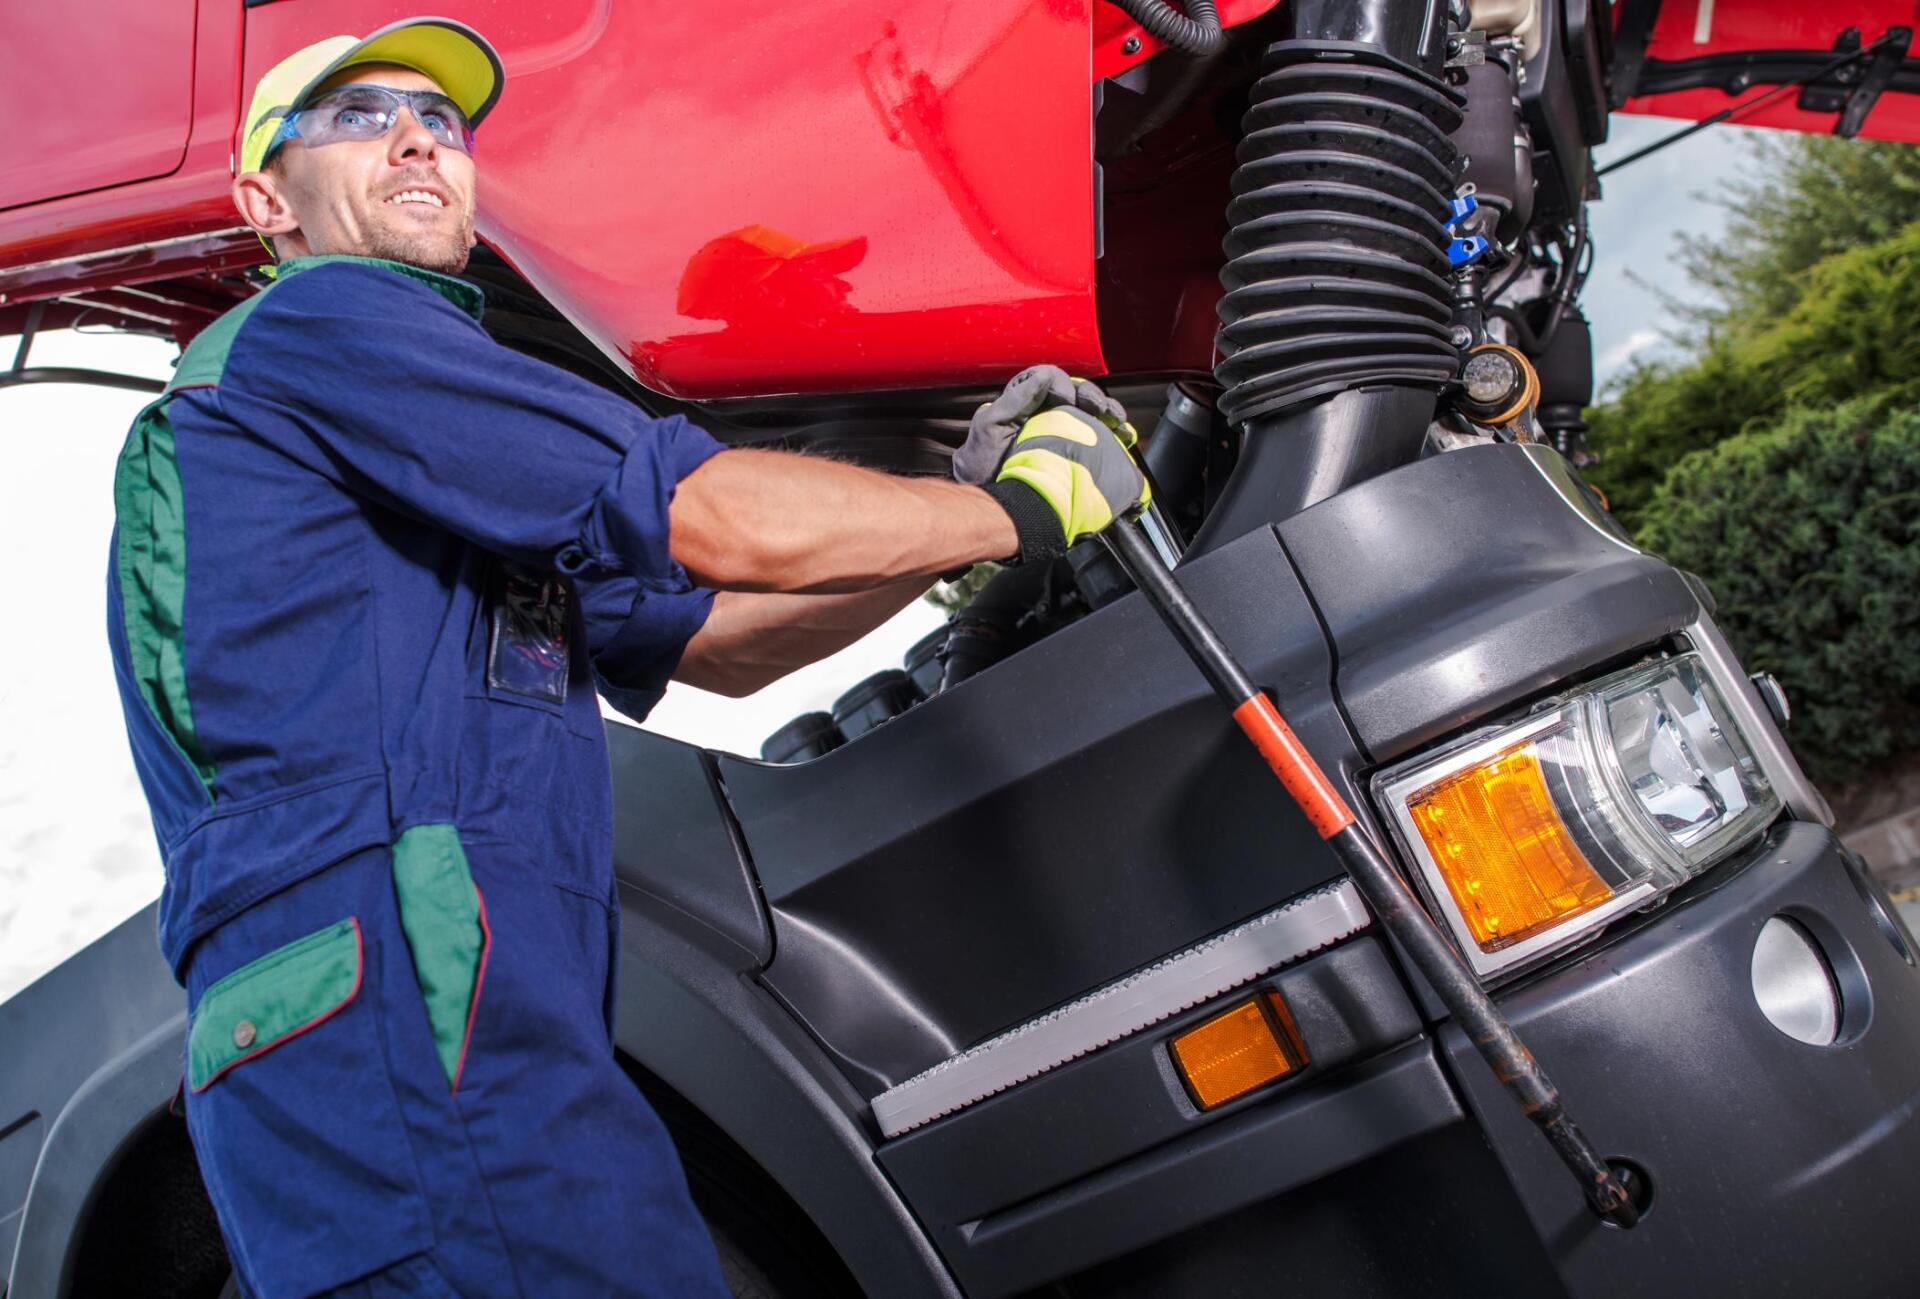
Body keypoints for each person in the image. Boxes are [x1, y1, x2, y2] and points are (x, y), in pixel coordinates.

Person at [108, 16, 1146, 1298]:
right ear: (269, 200)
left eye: (442, 122)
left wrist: (945, 539)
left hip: (464, 1031)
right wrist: (1018, 510)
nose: (420, 137)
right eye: (359, 116)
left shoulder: (415, 468)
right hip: (399, 1030)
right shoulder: (324, 326)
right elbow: (715, 521)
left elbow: (719, 644)